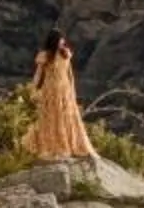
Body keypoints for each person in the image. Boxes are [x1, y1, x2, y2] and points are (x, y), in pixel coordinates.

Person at [26, 30, 98, 161]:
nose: (63, 42)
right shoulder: (45, 56)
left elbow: (70, 74)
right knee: (52, 118)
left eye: (63, 39)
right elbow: (38, 74)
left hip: (64, 91)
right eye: (60, 39)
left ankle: (68, 146)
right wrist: (33, 89)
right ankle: (53, 147)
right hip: (50, 91)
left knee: (67, 118)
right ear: (54, 41)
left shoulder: (65, 54)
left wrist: (72, 90)